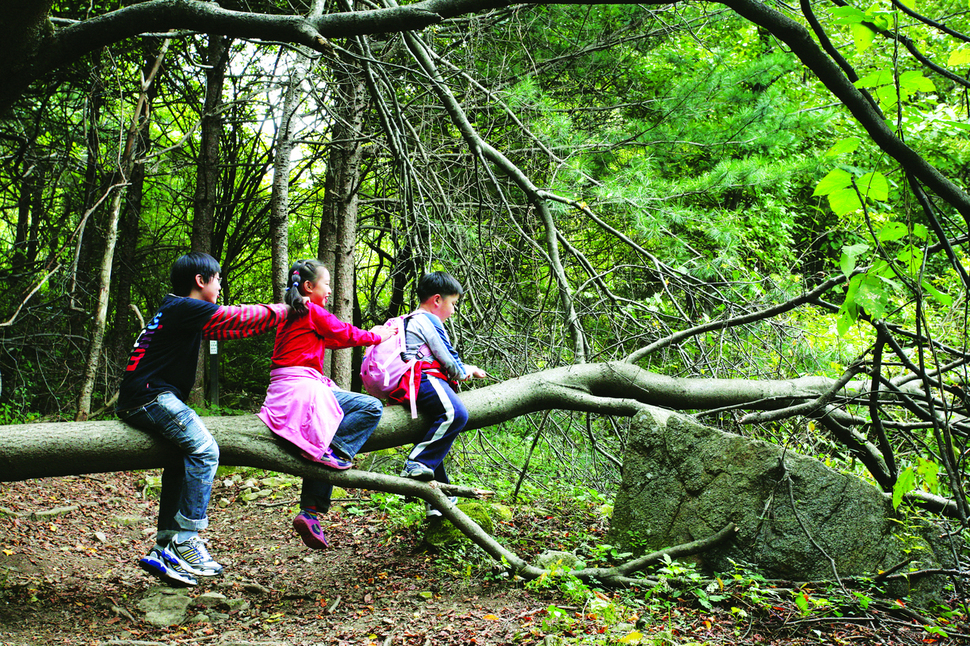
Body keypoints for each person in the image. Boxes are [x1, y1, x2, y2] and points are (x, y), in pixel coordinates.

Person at [117, 251, 297, 587]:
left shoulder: (179, 311)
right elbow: (237, 317)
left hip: (145, 397)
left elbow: (230, 329)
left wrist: (280, 318)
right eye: (217, 280)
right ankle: (188, 536)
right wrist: (287, 308)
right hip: (150, 397)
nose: (221, 286)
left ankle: (165, 549)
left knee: (181, 460)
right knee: (205, 450)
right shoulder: (184, 307)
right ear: (201, 281)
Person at [257, 259, 394, 550]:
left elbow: (331, 340)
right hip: (301, 389)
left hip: (283, 391)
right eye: (326, 284)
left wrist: (367, 338)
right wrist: (378, 336)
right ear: (309, 287)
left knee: (322, 442)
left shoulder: (295, 314)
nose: (330, 290)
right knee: (371, 408)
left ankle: (310, 513)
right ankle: (338, 450)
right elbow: (345, 332)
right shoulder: (312, 311)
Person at [392, 271, 487, 517]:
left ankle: (438, 501)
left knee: (431, 434)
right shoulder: (427, 319)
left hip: (410, 382)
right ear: (437, 300)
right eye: (452, 303)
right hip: (423, 378)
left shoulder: (409, 319)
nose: (454, 311)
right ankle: (415, 462)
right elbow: (448, 358)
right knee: (455, 414)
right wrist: (468, 371)